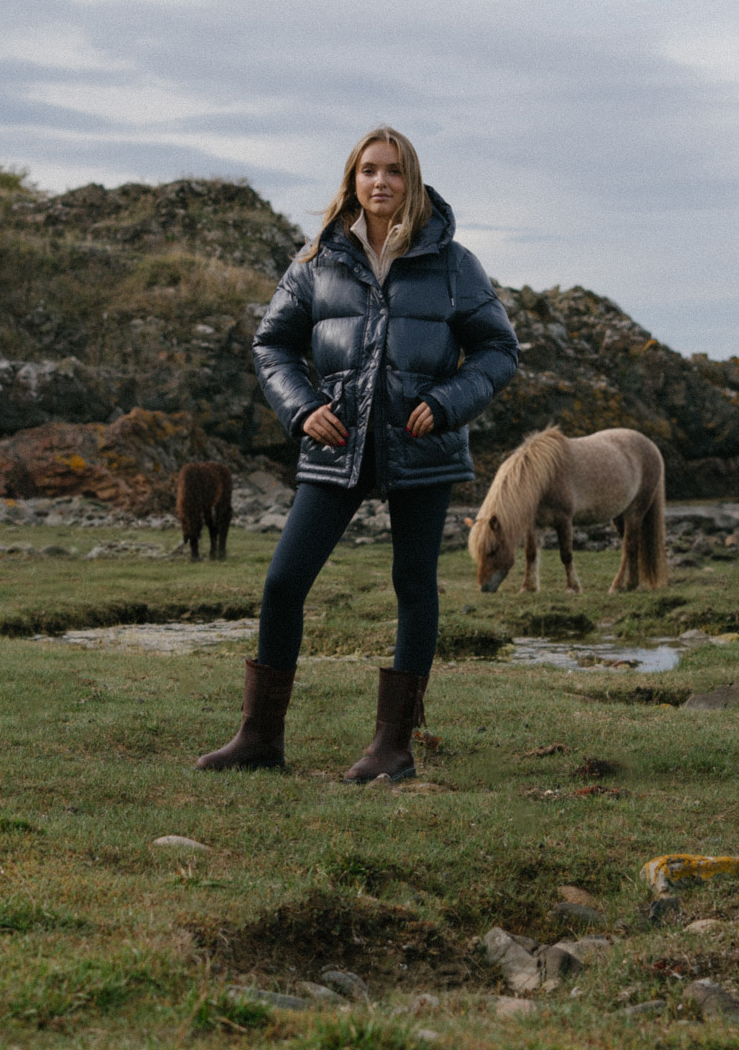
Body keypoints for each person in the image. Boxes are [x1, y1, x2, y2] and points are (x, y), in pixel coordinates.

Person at [195, 126, 519, 781]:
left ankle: (393, 748)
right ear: (353, 180)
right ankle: (259, 739)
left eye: (394, 171)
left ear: (411, 181)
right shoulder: (317, 259)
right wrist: (301, 408)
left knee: (413, 586)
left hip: (421, 445)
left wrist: (449, 402)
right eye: (369, 170)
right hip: (336, 444)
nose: (381, 182)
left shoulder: (454, 264)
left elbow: (498, 350)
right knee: (283, 583)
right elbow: (272, 344)